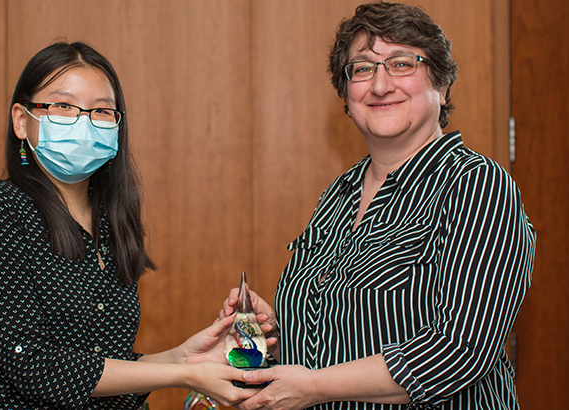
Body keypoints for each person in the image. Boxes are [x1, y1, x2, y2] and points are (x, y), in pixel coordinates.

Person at [222, 3, 536, 409]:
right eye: (363, 68)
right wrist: (277, 330)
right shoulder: (338, 194)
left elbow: (459, 350)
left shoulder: (477, 185)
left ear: (440, 86)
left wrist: (314, 386)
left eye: (402, 64)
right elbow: (345, 334)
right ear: (347, 95)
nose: (380, 85)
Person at [0, 42, 262, 409]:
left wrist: (185, 358)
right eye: (63, 106)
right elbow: (33, 365)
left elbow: (108, 367)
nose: (83, 121)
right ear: (22, 120)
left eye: (101, 111)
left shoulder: (110, 221)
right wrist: (183, 374)